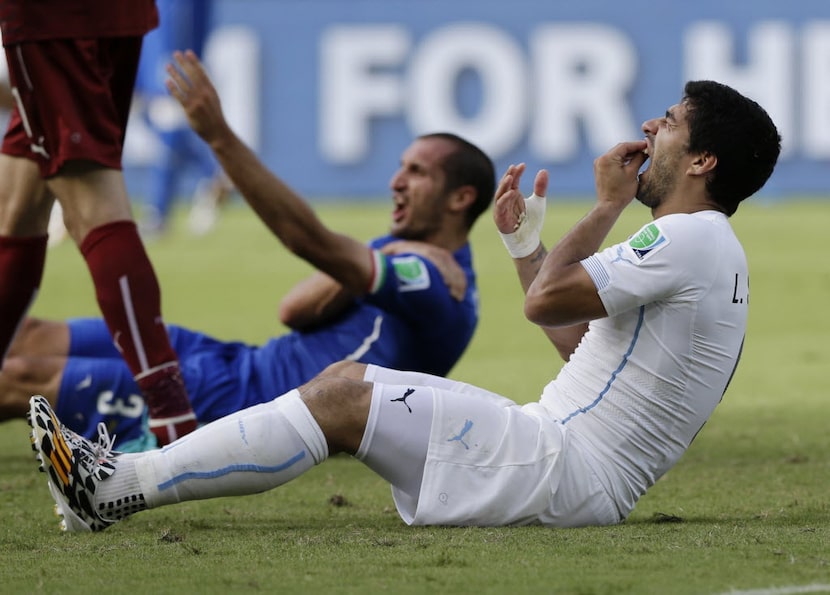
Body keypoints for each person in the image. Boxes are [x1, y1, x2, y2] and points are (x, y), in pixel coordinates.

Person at [28, 78, 780, 533]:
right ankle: (115, 483)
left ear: (704, 160)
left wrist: (607, 206)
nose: (651, 128)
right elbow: (579, 346)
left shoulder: (688, 239)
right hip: (564, 459)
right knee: (344, 392)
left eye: (671, 122)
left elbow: (549, 300)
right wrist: (525, 248)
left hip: (563, 466)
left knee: (343, 393)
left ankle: (115, 488)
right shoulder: (705, 248)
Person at [3, 51, 494, 452]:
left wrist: (218, 136)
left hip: (244, 403)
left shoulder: (437, 282)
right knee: (24, 336)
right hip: (234, 361)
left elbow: (309, 242)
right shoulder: (401, 254)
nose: (396, 183)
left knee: (20, 378)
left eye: (417, 173)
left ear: (460, 199)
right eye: (401, 167)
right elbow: (294, 309)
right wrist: (376, 256)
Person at [0, 1, 198, 446]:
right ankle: (172, 414)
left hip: (50, 19)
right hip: (118, 14)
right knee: (17, 203)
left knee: (91, 196)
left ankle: (172, 419)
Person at [135, 0, 231, 237]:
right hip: (143, 31)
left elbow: (182, 20)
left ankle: (158, 212)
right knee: (152, 116)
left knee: (165, 117)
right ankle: (211, 175)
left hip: (163, 37)